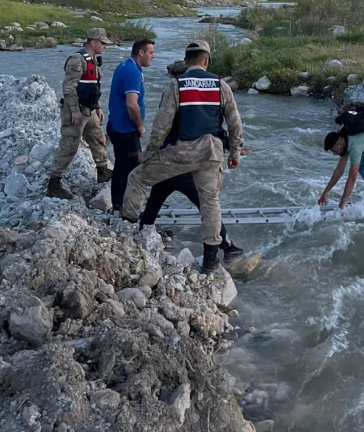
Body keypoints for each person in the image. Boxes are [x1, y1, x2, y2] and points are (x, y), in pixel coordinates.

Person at [121, 40, 243, 273]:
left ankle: (127, 228)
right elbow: (235, 123)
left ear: (185, 62)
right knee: (210, 204)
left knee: (137, 177)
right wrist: (235, 152)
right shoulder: (221, 85)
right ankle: (210, 261)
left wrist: (149, 154)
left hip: (180, 153)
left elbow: (161, 126)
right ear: (206, 61)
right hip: (211, 154)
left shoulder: (175, 86)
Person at [46, 27, 114, 199]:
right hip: (76, 110)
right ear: (93, 42)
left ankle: (103, 170)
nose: (105, 46)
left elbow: (94, 87)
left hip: (89, 109)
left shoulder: (94, 61)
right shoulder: (77, 60)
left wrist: (98, 108)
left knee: (98, 138)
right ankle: (54, 183)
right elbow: (69, 87)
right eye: (102, 43)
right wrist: (74, 111)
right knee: (69, 145)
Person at [107, 38, 155, 211]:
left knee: (121, 165)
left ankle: (118, 203)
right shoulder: (133, 72)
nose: (153, 57)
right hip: (126, 129)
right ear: (141, 53)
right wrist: (140, 126)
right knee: (132, 169)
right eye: (151, 53)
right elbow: (132, 104)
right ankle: (126, 206)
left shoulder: (125, 66)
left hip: (116, 125)